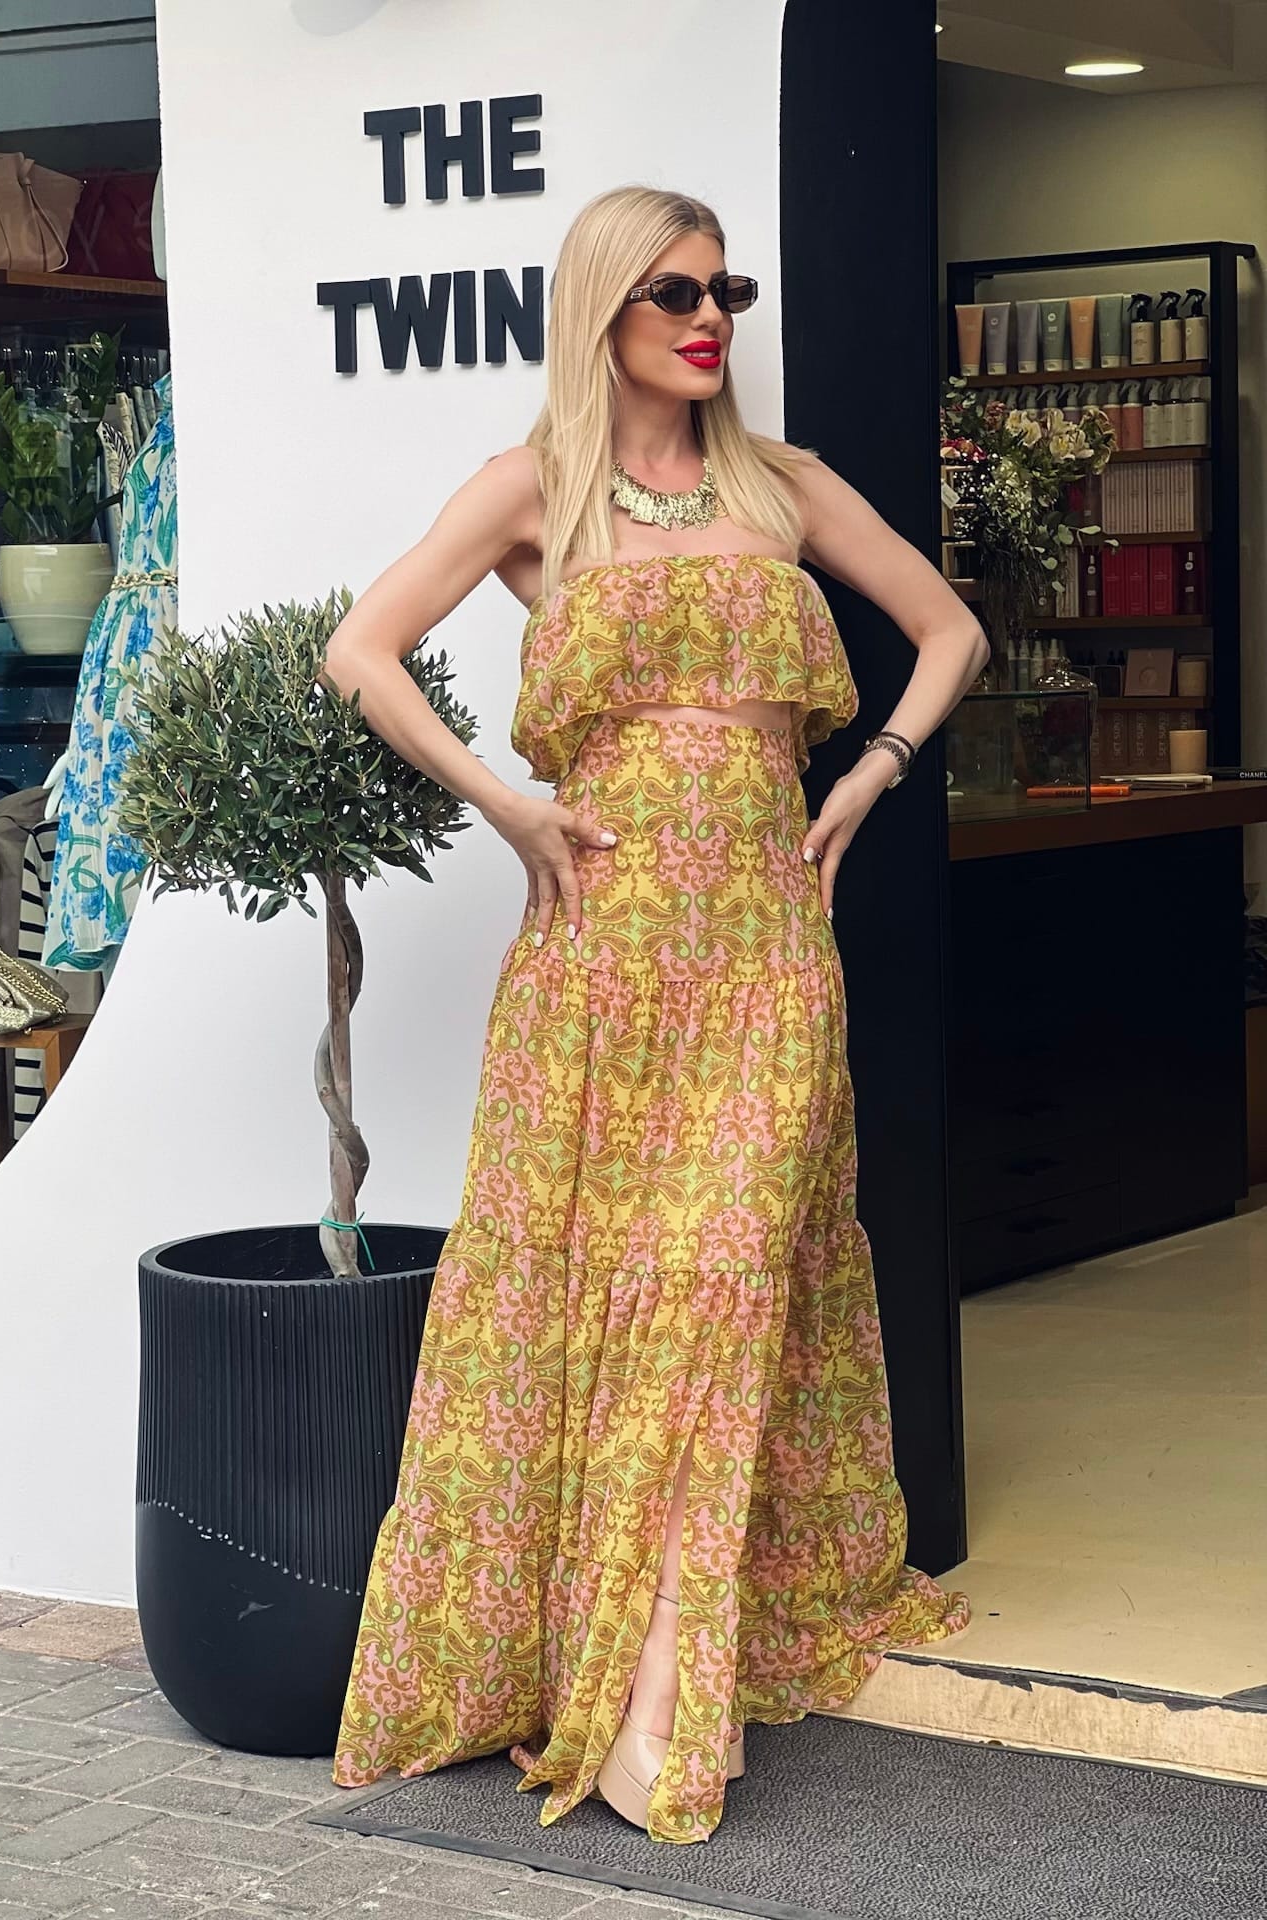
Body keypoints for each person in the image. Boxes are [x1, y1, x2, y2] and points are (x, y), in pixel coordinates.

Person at [326, 185, 985, 1846]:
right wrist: (507, 805)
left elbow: (950, 629)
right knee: (589, 1298)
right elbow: (364, 650)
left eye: (725, 292)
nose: (709, 321)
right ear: (604, 310)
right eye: (674, 294)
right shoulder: (533, 491)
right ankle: (618, 1680)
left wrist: (873, 772)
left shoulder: (785, 486)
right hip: (599, 967)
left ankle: (660, 1689)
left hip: (765, 953)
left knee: (718, 1288)